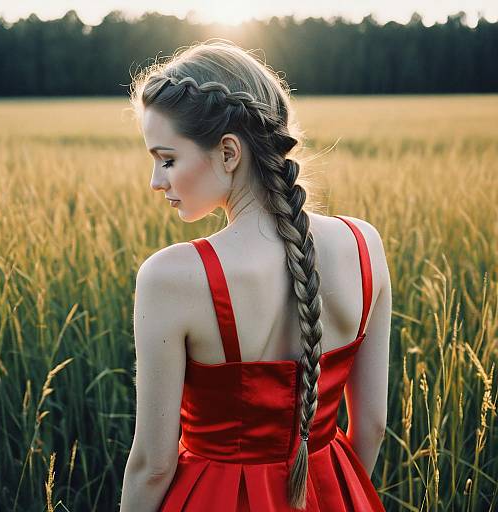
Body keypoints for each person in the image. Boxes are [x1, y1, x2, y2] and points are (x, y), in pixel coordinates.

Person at [120, 38, 391, 511]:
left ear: (229, 152)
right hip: (333, 493)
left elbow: (153, 464)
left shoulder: (173, 277)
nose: (156, 181)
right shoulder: (363, 245)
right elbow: (371, 425)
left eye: (167, 159)